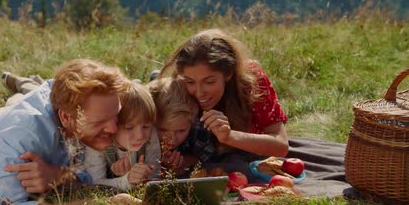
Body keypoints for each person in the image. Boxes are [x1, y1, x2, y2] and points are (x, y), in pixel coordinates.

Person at [0, 59, 129, 205]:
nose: (114, 129)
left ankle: (22, 84)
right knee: (14, 103)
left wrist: (59, 175)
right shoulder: (22, 137)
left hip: (44, 99)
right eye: (99, 122)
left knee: (28, 93)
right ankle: (20, 87)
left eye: (116, 115)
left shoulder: (94, 108)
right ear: (66, 118)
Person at [160, 28, 289, 163]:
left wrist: (230, 137)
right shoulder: (179, 88)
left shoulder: (252, 82)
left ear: (228, 73)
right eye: (190, 82)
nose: (199, 93)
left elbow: (281, 145)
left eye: (209, 82)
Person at [84, 81, 160, 191]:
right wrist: (127, 179)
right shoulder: (98, 141)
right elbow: (94, 183)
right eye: (129, 128)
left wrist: (143, 176)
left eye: (146, 126)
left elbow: (154, 176)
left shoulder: (151, 134)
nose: (140, 136)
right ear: (112, 123)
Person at [147, 77, 200, 177]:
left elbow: (206, 156)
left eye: (181, 131)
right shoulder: (142, 128)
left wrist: (186, 161)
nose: (171, 139)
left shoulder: (197, 124)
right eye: (163, 129)